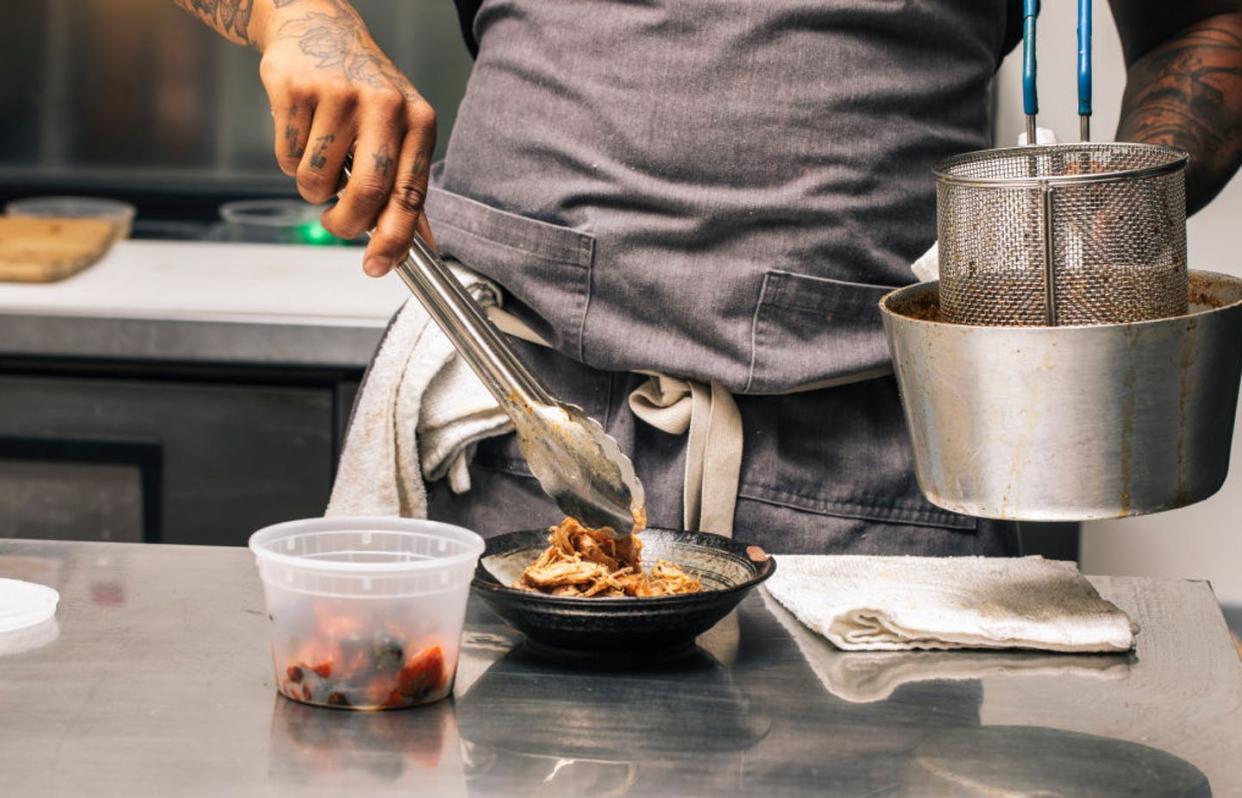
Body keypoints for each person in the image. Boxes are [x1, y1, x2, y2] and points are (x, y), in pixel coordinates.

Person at [174, 0, 1242, 552]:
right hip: (506, 440)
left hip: (878, 476)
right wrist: (298, 16)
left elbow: (1203, 21)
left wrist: (1109, 226)